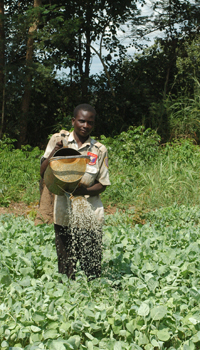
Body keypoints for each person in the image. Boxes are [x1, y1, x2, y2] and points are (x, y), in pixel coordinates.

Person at [40, 104, 110, 280]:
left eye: (90, 122)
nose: (85, 126)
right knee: (65, 265)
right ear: (73, 121)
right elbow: (42, 171)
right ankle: (67, 297)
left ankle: (92, 294)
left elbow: (103, 184)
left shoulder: (99, 150)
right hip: (63, 212)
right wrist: (55, 153)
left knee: (91, 266)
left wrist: (83, 191)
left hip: (89, 214)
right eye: (81, 121)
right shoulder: (58, 139)